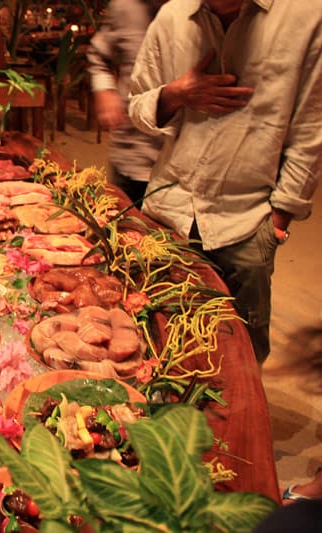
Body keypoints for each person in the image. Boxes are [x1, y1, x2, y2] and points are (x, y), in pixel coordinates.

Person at [128, 0, 322, 362]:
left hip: (245, 222)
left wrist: (279, 220)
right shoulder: (173, 16)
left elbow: (311, 130)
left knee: (238, 360)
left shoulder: (306, 16)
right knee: (153, 345)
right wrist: (175, 94)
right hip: (167, 215)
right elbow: (137, 105)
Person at [86, 0, 167, 205]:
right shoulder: (125, 6)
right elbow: (98, 55)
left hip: (178, 165)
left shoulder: (200, 10)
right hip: (131, 154)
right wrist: (105, 90)